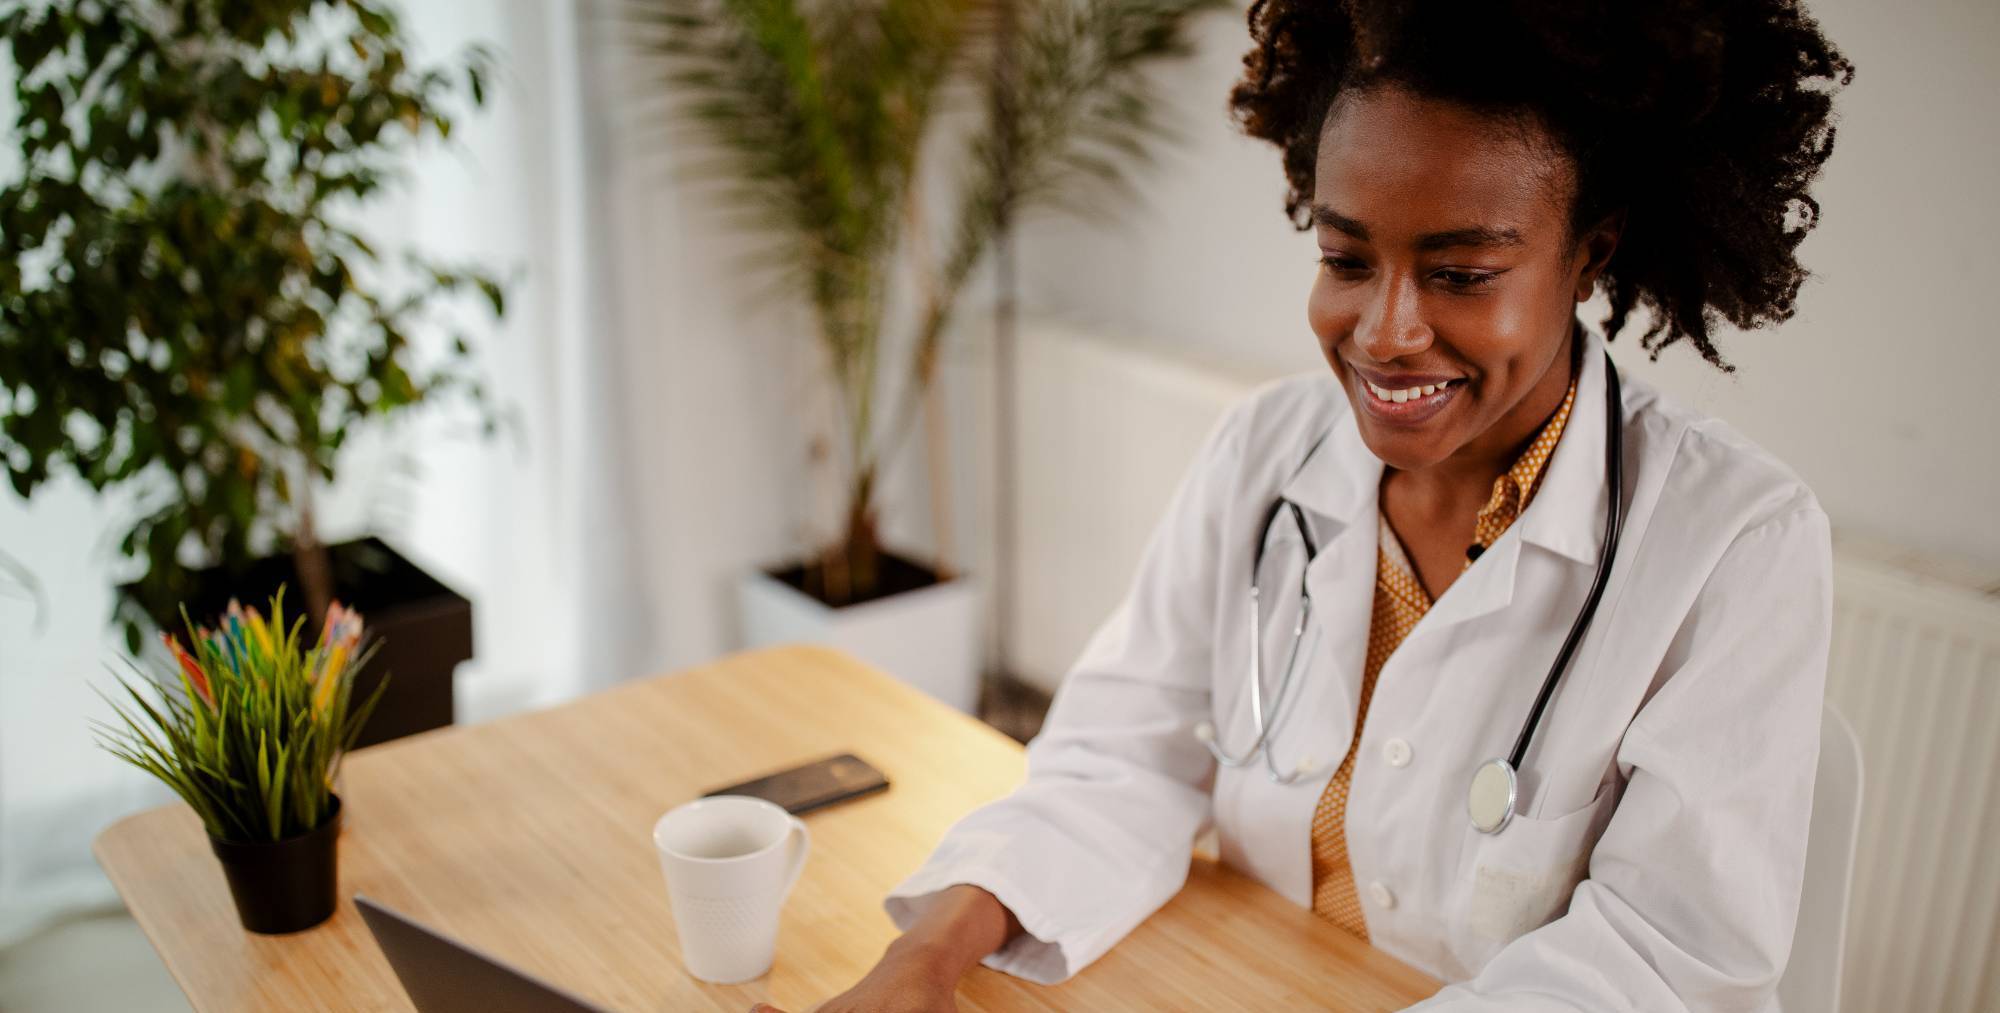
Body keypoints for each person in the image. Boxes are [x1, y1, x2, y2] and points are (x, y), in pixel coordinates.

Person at [760, 1, 1852, 1009]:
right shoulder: (1265, 450)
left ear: (1587, 256)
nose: (1382, 331)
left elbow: (1658, 958)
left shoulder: (1733, 544)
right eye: (1342, 257)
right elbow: (1117, 754)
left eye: (1459, 273)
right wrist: (923, 958)